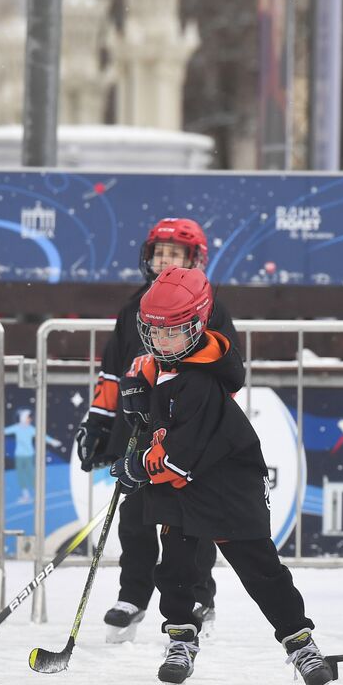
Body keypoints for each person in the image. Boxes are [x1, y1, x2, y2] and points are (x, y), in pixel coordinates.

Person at [108, 266, 334, 685]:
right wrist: (137, 400)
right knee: (174, 568)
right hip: (183, 492)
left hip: (228, 489)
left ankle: (300, 641)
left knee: (260, 570)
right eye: (154, 332)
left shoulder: (201, 383)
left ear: (197, 327)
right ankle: (180, 639)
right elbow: (158, 417)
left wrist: (138, 466)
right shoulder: (162, 368)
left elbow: (180, 454)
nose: (162, 341)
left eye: (173, 332)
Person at [73, 217, 232, 643]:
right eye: (159, 252)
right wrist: (100, 422)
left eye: (175, 254)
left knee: (189, 524)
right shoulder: (132, 308)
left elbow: (225, 376)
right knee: (135, 519)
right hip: (138, 435)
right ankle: (133, 596)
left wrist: (205, 433)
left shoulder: (210, 308)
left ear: (194, 260)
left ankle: (198, 597)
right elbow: (111, 373)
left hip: (186, 440)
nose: (165, 261)